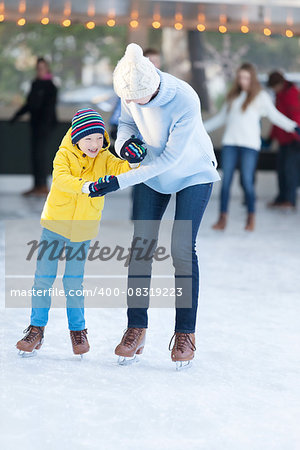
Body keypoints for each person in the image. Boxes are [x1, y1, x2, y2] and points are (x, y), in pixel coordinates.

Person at [89, 43, 220, 369]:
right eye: (126, 98)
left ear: (152, 88)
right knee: (141, 247)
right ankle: (136, 327)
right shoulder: (129, 87)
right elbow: (126, 126)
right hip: (151, 174)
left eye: (135, 98)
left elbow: (170, 160)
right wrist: (125, 146)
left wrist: (117, 181)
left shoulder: (185, 98)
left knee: (180, 248)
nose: (129, 102)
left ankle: (185, 334)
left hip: (192, 173)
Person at [16, 108, 145, 357]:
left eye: (99, 137)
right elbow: (62, 179)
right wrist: (88, 186)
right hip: (55, 225)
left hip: (83, 229)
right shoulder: (63, 155)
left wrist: (134, 160)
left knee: (73, 282)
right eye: (88, 139)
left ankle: (78, 331)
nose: (95, 144)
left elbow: (123, 169)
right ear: (76, 138)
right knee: (43, 279)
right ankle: (36, 329)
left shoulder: (105, 157)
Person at [204, 63, 300, 231]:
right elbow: (220, 119)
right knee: (225, 182)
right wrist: (198, 128)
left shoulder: (261, 96)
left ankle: (250, 217)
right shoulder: (232, 96)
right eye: (240, 77)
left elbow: (275, 116)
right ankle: (222, 218)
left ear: (253, 78)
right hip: (230, 144)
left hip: (250, 146)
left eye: (247, 78)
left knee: (247, 182)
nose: (243, 81)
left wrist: (294, 126)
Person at [10, 57, 57, 196]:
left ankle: (43, 185)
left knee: (40, 154)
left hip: (45, 125)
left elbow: (49, 108)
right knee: (34, 155)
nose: (40, 70)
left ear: (47, 69)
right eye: (38, 68)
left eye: (43, 68)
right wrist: (16, 116)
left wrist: (45, 124)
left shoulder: (51, 86)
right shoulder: (35, 84)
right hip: (35, 125)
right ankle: (36, 185)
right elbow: (29, 104)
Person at [267, 71, 300, 210]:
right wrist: (271, 138)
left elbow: (296, 117)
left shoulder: (292, 94)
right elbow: (277, 120)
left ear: (280, 84)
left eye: (274, 87)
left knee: (290, 170)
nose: (273, 90)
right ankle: (281, 198)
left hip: (295, 140)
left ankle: (290, 200)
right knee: (281, 170)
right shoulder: (279, 96)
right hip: (283, 141)